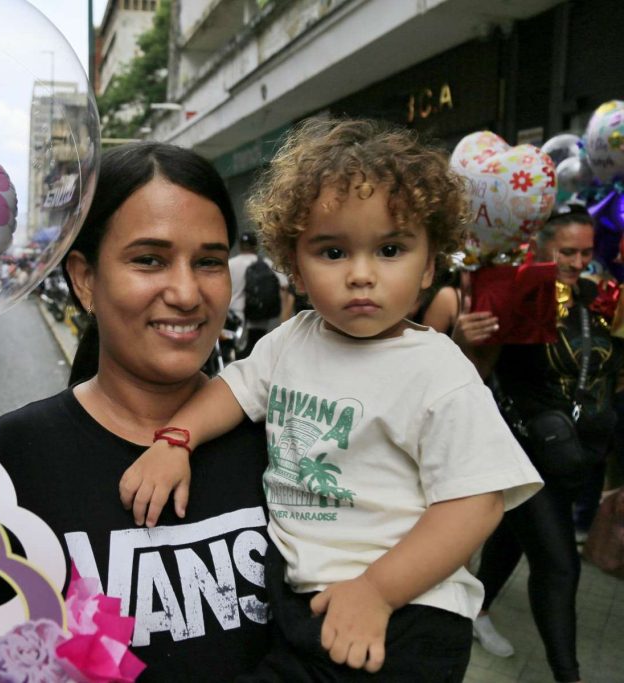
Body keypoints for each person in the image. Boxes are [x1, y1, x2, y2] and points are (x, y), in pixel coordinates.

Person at [118, 118, 542, 681]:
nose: (362, 275)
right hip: (305, 604)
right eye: (333, 251)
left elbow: (476, 504)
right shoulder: (292, 341)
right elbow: (232, 390)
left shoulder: (439, 371)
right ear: (294, 263)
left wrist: (378, 591)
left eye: (390, 249)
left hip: (404, 614)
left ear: (430, 266)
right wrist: (176, 440)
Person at [0, 142, 273, 680]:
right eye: (149, 260)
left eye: (209, 262)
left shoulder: (281, 437)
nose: (185, 291)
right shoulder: (8, 461)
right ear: (84, 278)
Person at [461, 204, 622, 683]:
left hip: (579, 454)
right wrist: (464, 339)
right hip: (525, 454)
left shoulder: (602, 298)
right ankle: (566, 675)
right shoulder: (517, 294)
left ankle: (478, 610)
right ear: (543, 248)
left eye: (586, 253)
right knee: (559, 564)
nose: (576, 262)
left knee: (513, 538)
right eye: (567, 251)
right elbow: (471, 378)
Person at [229, 231, 292, 357]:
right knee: (255, 351)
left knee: (233, 350)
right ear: (255, 246)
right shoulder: (266, 263)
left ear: (240, 246)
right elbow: (284, 285)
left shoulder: (230, 264)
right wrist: (284, 315)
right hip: (258, 314)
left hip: (234, 314)